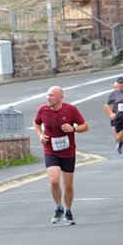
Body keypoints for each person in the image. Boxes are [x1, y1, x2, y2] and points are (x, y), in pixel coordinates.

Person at [33, 86, 88, 225]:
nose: (48, 98)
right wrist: (40, 136)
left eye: (51, 95)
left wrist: (73, 128)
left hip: (68, 151)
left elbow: (85, 126)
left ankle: (68, 211)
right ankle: (58, 207)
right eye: (47, 95)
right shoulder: (43, 110)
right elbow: (36, 123)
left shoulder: (70, 110)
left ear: (60, 98)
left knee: (68, 185)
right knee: (54, 180)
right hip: (50, 150)